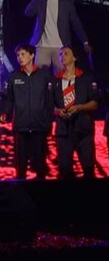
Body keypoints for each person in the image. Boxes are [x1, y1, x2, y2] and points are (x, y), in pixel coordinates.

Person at [1, 43, 56, 180]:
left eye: (23, 54)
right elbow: (9, 99)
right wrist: (5, 112)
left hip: (39, 128)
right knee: (21, 168)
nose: (19, 57)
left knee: (40, 167)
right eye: (18, 55)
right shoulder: (14, 77)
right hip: (21, 128)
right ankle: (21, 192)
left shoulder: (44, 76)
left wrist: (48, 122)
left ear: (32, 55)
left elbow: (50, 101)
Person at [24, 0, 90, 73]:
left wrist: (85, 42)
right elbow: (28, 12)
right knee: (38, 76)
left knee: (62, 76)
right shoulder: (40, 2)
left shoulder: (67, 4)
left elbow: (76, 24)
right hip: (42, 46)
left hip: (61, 46)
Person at [53, 46, 100, 179]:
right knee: (64, 171)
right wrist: (58, 111)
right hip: (63, 131)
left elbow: (95, 103)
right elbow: (49, 104)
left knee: (88, 169)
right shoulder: (55, 80)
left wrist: (79, 107)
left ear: (74, 58)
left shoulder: (86, 78)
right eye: (60, 54)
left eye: (66, 53)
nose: (62, 56)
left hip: (83, 130)